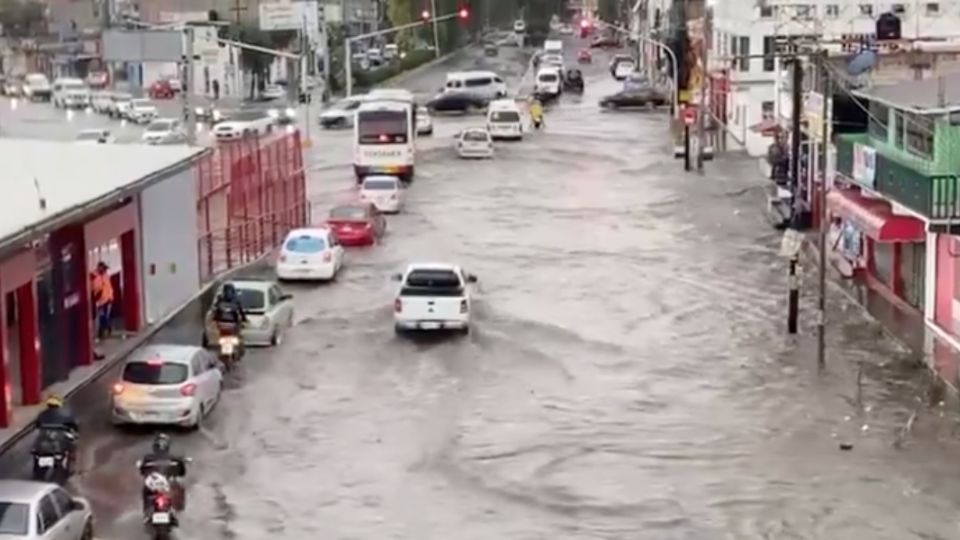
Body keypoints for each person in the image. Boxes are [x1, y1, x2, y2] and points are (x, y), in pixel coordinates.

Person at [139, 433, 188, 516]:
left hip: (153, 488)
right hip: (167, 487)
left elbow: (142, 471)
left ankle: (146, 510)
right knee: (179, 488)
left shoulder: (148, 458)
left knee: (145, 490)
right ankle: (178, 509)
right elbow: (182, 472)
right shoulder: (174, 458)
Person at [33, 395, 79, 466]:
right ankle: (72, 459)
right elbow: (73, 425)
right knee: (72, 444)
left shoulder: (42, 414)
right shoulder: (65, 415)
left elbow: (37, 425)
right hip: (59, 440)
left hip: (45, 439)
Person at [91, 262, 114, 340]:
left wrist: (111, 298)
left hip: (107, 300)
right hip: (100, 301)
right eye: (103, 268)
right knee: (102, 316)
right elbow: (94, 289)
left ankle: (103, 332)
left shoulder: (106, 276)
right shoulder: (95, 277)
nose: (105, 270)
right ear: (99, 268)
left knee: (104, 316)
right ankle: (106, 329)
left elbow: (109, 288)